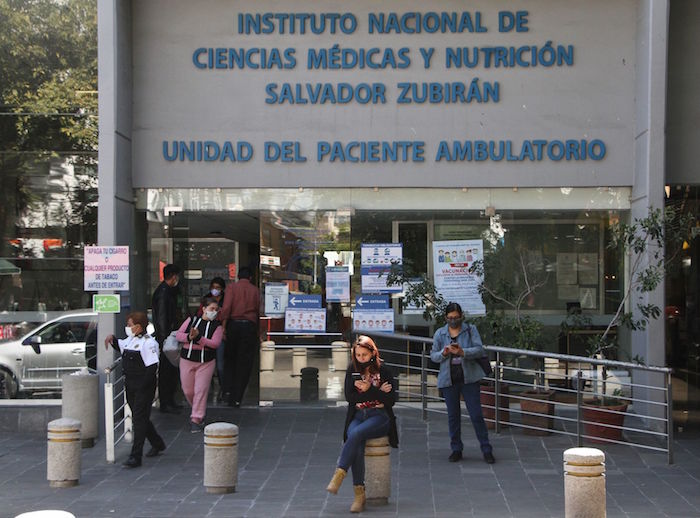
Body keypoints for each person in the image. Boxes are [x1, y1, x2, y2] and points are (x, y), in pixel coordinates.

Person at [326, 335, 398, 513]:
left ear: (373, 353)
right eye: (358, 355)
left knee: (355, 435)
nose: (361, 359)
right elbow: (350, 398)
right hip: (358, 415)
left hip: (379, 417)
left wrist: (369, 389)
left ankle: (340, 473)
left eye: (364, 355)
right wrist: (376, 393)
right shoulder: (352, 370)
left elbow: (391, 400)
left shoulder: (384, 371)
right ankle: (359, 495)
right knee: (356, 442)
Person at [431, 302, 495, 464]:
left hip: (469, 378)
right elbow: (434, 356)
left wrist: (462, 352)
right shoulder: (440, 333)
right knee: (453, 416)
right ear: (446, 318)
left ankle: (486, 449)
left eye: (456, 318)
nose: (453, 321)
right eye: (450, 318)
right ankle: (456, 449)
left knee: (476, 415)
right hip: (449, 379)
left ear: (461, 317)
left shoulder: (470, 330)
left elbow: (479, 350)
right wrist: (444, 353)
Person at [104, 312, 166, 468]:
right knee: (140, 417)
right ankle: (157, 443)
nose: (128, 327)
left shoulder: (149, 343)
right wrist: (112, 339)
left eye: (130, 325)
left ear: (139, 326)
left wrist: (142, 387)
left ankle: (135, 455)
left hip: (143, 385)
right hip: (130, 384)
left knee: (138, 419)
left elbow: (152, 367)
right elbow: (122, 346)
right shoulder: (130, 339)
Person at [176, 296, 223, 432]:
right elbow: (179, 335)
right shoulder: (192, 321)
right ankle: (197, 409)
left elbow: (215, 343)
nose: (213, 311)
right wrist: (189, 337)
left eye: (216, 309)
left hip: (206, 362)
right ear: (203, 309)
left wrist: (199, 338)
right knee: (188, 390)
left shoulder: (217, 327)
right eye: (211, 309)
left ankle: (196, 418)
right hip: (187, 360)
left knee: (200, 390)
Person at [220, 266, 260, 407]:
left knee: (230, 360)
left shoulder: (231, 288)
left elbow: (226, 308)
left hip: (234, 325)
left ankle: (228, 392)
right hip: (249, 326)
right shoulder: (255, 290)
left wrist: (223, 327)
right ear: (250, 277)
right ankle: (238, 397)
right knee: (244, 363)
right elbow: (257, 309)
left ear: (237, 276)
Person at [152, 263, 181, 414]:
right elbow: (163, 317)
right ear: (174, 276)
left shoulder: (167, 291)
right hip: (166, 338)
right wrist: (165, 338)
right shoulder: (163, 293)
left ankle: (170, 400)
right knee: (166, 371)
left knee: (171, 370)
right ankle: (166, 401)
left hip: (168, 336)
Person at [195, 277, 226, 398]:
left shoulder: (226, 300)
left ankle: (223, 390)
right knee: (205, 363)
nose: (215, 290)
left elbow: (227, 316)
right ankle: (207, 389)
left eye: (218, 288)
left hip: (218, 334)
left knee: (220, 365)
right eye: (213, 287)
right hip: (205, 334)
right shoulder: (206, 299)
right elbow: (199, 315)